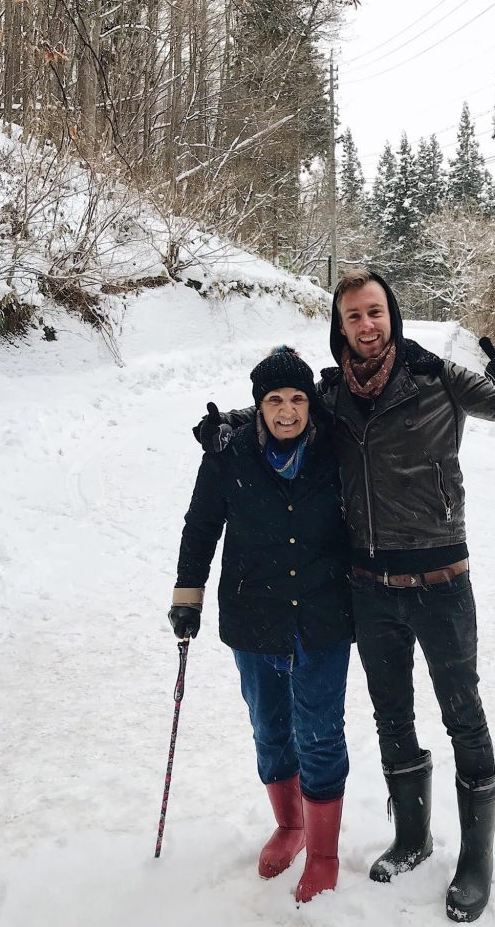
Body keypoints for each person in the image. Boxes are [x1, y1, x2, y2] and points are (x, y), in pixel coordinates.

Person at [194, 271, 495, 922]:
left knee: (462, 717)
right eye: (353, 315)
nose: (366, 324)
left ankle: (475, 859)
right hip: (369, 587)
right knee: (393, 716)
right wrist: (232, 427)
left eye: (375, 311)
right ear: (340, 327)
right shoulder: (330, 395)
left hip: (442, 579)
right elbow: (283, 409)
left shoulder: (436, 375)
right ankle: (412, 838)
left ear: (392, 314)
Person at [170, 345, 353, 902]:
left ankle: (323, 852)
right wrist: (187, 596)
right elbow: (201, 527)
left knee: (320, 734)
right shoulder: (229, 454)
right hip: (254, 616)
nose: (288, 411)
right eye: (275, 400)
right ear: (259, 406)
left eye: (298, 399)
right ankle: (291, 825)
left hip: (322, 615)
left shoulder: (334, 450)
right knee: (270, 727)